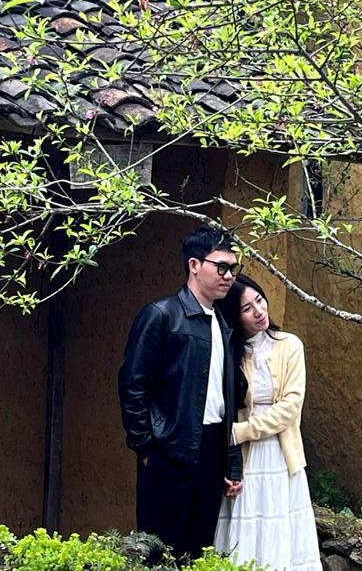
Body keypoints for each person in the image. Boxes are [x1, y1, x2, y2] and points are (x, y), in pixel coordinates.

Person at [118, 224, 245, 561]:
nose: (229, 275)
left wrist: (231, 462)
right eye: (221, 267)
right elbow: (133, 384)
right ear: (193, 265)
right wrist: (145, 446)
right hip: (168, 450)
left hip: (211, 448)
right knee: (159, 553)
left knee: (197, 551)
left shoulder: (221, 322)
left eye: (234, 268)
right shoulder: (161, 315)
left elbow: (224, 401)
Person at [215, 274, 322, 571]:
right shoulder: (228, 354)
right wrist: (230, 450)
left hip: (280, 456)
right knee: (244, 537)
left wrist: (240, 432)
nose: (259, 311)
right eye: (247, 308)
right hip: (244, 461)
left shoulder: (290, 346)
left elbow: (290, 407)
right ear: (234, 317)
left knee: (281, 537)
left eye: (259, 300)